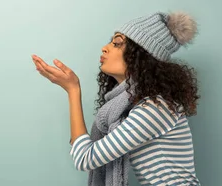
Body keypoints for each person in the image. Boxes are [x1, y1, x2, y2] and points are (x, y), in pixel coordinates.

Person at [31, 11, 201, 186]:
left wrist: (73, 90)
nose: (105, 48)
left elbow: (84, 157)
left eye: (117, 43)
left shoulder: (155, 108)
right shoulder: (134, 106)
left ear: (140, 57)